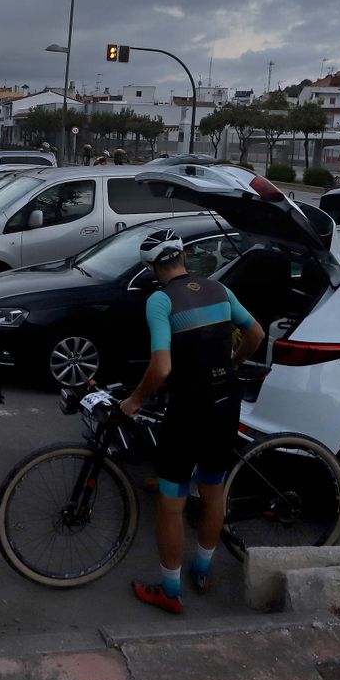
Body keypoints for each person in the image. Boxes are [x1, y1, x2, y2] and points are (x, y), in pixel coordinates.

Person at [120, 228, 266, 614]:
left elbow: (162, 367)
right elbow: (255, 333)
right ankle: (202, 570)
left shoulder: (160, 300)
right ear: (184, 257)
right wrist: (232, 363)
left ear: (153, 268)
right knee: (213, 490)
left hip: (188, 409)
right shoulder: (219, 290)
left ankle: (170, 591)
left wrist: (135, 400)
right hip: (225, 403)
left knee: (172, 501)